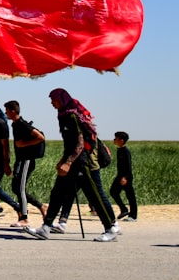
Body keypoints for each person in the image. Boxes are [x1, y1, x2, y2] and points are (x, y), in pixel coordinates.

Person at [24, 88, 119, 242]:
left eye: (53, 100)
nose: (52, 103)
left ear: (61, 99)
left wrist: (68, 162)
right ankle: (46, 227)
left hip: (81, 163)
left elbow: (80, 143)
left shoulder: (72, 116)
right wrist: (62, 160)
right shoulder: (63, 115)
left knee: (93, 195)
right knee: (57, 193)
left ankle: (109, 228)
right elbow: (68, 144)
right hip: (70, 161)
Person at [4, 100, 47, 227]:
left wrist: (24, 144)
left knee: (20, 188)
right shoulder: (15, 124)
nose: (5, 113)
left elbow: (40, 137)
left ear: (12, 111)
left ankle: (24, 217)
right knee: (15, 187)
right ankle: (41, 206)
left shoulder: (22, 124)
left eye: (6, 110)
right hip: (20, 160)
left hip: (27, 160)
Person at [110, 131, 137, 221]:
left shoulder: (125, 151)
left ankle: (133, 216)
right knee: (113, 192)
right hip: (120, 176)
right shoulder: (120, 150)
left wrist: (125, 177)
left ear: (121, 140)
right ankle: (123, 209)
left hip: (126, 177)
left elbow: (128, 165)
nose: (114, 140)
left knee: (130, 195)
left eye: (116, 138)